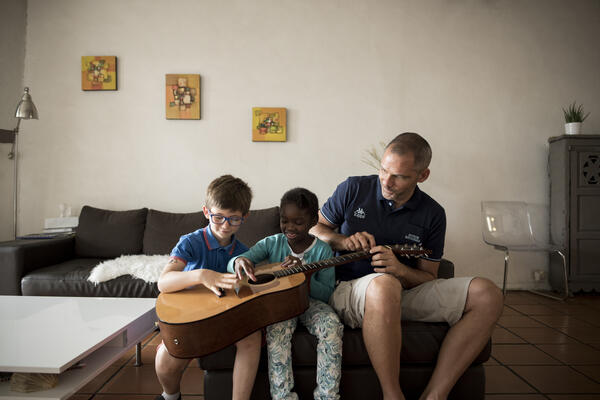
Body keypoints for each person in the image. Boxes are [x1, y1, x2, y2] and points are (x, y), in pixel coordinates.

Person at [311, 132, 503, 400]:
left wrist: (400, 270)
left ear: (422, 175)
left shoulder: (433, 213)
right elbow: (315, 229)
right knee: (384, 285)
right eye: (383, 170)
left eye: (399, 176)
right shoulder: (353, 188)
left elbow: (429, 277)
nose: (387, 182)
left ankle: (435, 395)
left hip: (403, 292)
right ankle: (393, 395)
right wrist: (343, 240)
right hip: (348, 290)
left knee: (488, 294)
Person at [229, 187, 344, 400]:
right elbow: (238, 262)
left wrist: (305, 276)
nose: (289, 227)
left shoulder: (323, 251)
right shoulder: (272, 243)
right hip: (281, 306)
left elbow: (326, 293)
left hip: (311, 304)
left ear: (312, 222)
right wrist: (239, 260)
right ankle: (283, 396)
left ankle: (327, 395)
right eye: (284, 220)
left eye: (298, 222)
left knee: (332, 326)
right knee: (276, 331)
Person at [154, 175, 261, 400]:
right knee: (165, 360)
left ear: (245, 217)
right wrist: (202, 275)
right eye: (218, 217)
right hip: (191, 318)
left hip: (225, 318)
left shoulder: (243, 251)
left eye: (234, 219)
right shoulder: (190, 242)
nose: (225, 225)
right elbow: (163, 282)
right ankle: (170, 396)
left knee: (252, 337)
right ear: (206, 212)